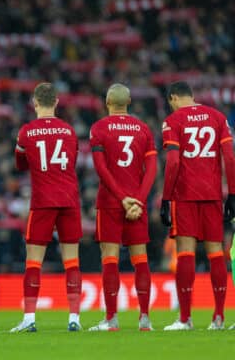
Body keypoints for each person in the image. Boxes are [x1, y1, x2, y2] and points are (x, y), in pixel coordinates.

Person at [160, 81, 235, 331]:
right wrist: (232, 194)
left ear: (173, 98)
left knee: (185, 252)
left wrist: (165, 197)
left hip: (184, 195)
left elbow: (172, 163)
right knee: (216, 253)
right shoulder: (218, 117)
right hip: (212, 195)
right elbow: (230, 157)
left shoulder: (174, 120)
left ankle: (185, 319)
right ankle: (219, 317)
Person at [9, 82, 82, 332]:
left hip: (42, 202)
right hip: (69, 200)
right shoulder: (70, 131)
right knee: (71, 262)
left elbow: (19, 165)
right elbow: (72, 161)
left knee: (33, 262)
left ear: (34, 103)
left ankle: (29, 319)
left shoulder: (26, 132)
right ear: (57, 102)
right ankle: (74, 318)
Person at [87, 84, 157, 331]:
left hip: (110, 203)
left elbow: (101, 169)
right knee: (141, 260)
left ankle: (112, 319)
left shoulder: (98, 129)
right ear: (129, 102)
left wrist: (121, 199)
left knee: (110, 259)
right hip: (137, 204)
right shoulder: (144, 129)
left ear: (107, 102)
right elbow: (152, 170)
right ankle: (145, 318)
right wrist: (138, 199)